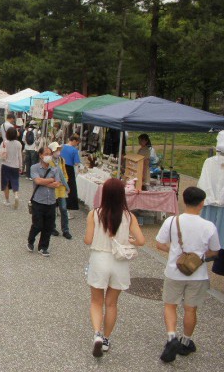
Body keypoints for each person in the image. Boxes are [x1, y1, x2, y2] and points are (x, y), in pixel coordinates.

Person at [155, 187, 220, 363]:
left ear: (184, 201)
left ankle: (171, 338)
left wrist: (175, 252)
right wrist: (199, 258)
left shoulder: (171, 221)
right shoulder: (209, 226)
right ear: (202, 203)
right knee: (190, 309)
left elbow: (160, 244)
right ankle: (185, 341)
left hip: (174, 272)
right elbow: (215, 251)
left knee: (170, 305)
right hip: (197, 274)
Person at [83, 179, 145, 357]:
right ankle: (106, 339)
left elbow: (88, 240)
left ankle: (96, 334)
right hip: (120, 263)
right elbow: (141, 241)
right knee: (111, 304)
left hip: (99, 259)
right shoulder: (129, 216)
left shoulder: (94, 214)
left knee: (96, 301)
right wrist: (129, 240)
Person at [27, 147, 65, 257]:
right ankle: (31, 240)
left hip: (51, 202)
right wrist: (50, 180)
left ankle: (43, 247)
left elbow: (57, 184)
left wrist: (44, 182)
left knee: (48, 226)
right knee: (37, 225)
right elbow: (37, 180)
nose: (48, 156)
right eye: (46, 153)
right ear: (40, 155)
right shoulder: (34, 168)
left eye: (50, 153)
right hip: (38, 201)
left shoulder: (55, 169)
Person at [49, 142, 72, 240]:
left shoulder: (62, 160)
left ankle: (65, 230)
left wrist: (65, 181)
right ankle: (52, 227)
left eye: (58, 149)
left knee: (63, 208)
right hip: (53, 187)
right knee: (52, 209)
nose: (58, 152)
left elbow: (65, 173)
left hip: (61, 187)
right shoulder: (49, 161)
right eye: (56, 150)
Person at [0, 127, 23, 208]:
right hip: (15, 165)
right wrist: (21, 166)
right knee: (15, 181)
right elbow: (20, 156)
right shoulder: (19, 144)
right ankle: (16, 195)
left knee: (5, 183)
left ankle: (7, 200)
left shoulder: (5, 143)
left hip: (5, 165)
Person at [60, 135, 82, 210]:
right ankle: (70, 205)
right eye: (77, 143)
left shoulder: (62, 146)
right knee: (71, 186)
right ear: (74, 141)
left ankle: (59, 202)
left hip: (61, 167)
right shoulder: (74, 150)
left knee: (61, 184)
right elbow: (76, 163)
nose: (77, 145)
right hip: (69, 168)